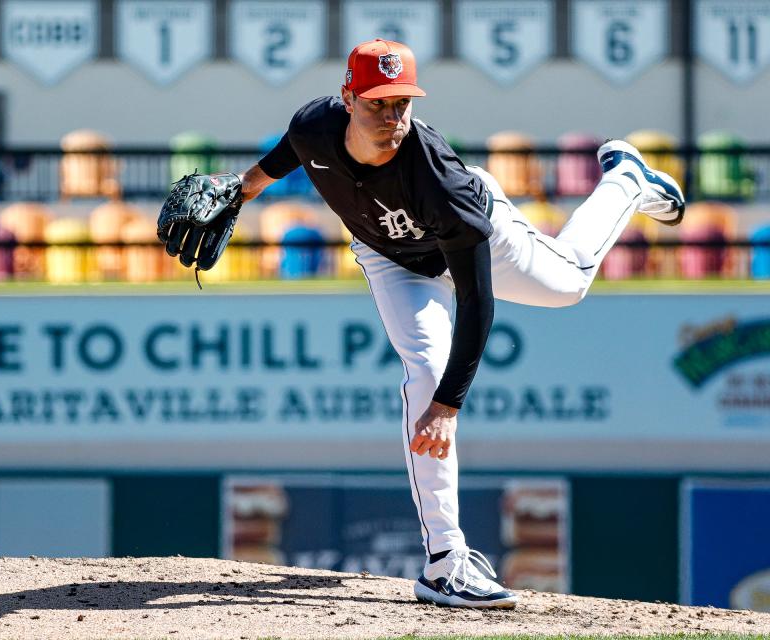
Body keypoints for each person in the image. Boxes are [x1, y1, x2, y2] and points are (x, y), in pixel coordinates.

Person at [169, 39, 685, 609]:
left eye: (402, 103)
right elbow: (293, 151)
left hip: (474, 237)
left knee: (570, 283)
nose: (391, 117)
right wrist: (242, 190)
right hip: (391, 258)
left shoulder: (436, 176)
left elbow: (477, 300)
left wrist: (449, 406)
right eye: (377, 103)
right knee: (423, 370)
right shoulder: (315, 124)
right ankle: (446, 562)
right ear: (348, 99)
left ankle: (625, 182)